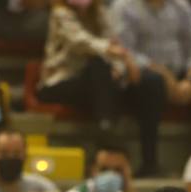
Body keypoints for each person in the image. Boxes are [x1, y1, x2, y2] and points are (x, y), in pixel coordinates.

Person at [38, 0, 166, 177]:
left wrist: (121, 68)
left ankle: (150, 161)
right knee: (98, 66)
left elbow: (114, 41)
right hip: (62, 82)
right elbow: (81, 41)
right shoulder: (60, 13)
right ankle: (107, 134)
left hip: (100, 84)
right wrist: (114, 55)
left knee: (151, 83)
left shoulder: (100, 13)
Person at [111, 0, 191, 119]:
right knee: (154, 82)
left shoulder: (182, 6)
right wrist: (161, 73)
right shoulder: (124, 6)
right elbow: (124, 50)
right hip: (142, 73)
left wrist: (190, 80)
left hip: (180, 73)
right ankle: (150, 138)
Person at [63, 137, 135, 192]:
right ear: (92, 170)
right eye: (104, 169)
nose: (111, 175)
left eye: (117, 170)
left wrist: (129, 190)